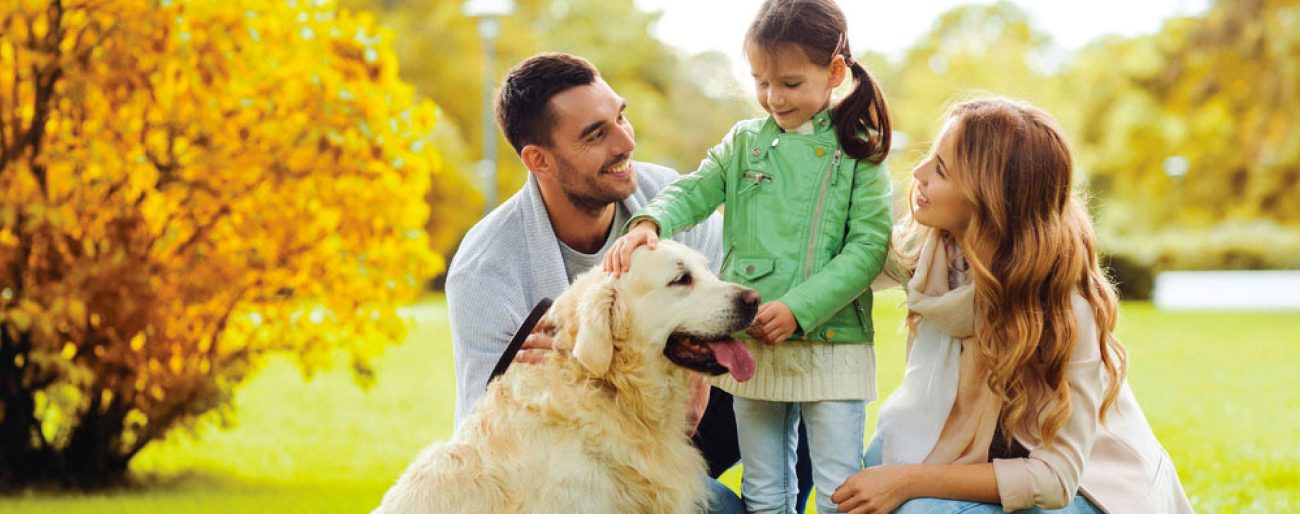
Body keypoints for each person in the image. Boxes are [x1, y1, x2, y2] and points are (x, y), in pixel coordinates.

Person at [444, 52, 812, 513]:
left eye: (621, 117)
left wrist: (698, 375)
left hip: (684, 397)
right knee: (715, 508)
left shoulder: (667, 195)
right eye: (595, 135)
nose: (624, 143)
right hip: (580, 448)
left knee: (804, 384)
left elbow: (731, 293)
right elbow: (490, 432)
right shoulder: (486, 269)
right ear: (539, 160)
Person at [831, 97, 1194, 514]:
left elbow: (1055, 478)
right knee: (846, 490)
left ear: (990, 201)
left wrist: (908, 479)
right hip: (977, 453)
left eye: (942, 170)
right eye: (932, 157)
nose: (918, 173)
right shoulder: (932, 249)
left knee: (920, 510)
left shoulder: (1064, 303)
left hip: (1088, 489)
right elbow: (839, 275)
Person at [605, 1, 893, 511]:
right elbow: (692, 190)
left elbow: (867, 249)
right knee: (763, 487)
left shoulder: (860, 152)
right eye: (761, 81)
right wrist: (650, 221)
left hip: (832, 341)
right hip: (754, 339)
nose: (772, 98)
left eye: (789, 83)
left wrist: (800, 308)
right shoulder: (743, 144)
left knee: (838, 489)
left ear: (834, 71)